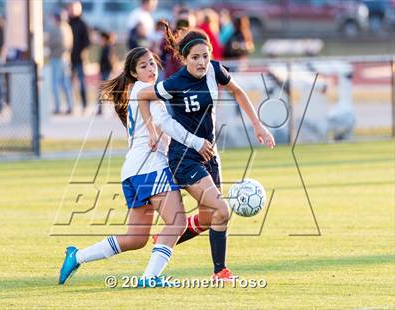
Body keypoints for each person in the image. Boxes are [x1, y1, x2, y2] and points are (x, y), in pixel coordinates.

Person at [58, 47, 214, 287]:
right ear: (133, 72)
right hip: (150, 166)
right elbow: (164, 122)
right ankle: (150, 278)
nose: (151, 69)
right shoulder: (145, 90)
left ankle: (77, 256)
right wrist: (194, 142)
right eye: (143, 66)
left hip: (132, 170)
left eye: (152, 63)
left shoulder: (136, 91)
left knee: (136, 238)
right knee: (177, 223)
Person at [137, 23, 275, 281]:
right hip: (184, 158)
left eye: (205, 56)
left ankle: (165, 240)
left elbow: (238, 91)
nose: (202, 62)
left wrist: (258, 125)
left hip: (208, 154)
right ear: (184, 59)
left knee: (208, 217)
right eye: (195, 58)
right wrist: (153, 132)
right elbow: (144, 97)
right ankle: (220, 271)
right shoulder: (175, 82)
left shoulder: (214, 70)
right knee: (222, 210)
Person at [48, 8, 73, 115]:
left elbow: (53, 43)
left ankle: (58, 107)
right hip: (65, 58)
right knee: (65, 83)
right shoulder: (67, 28)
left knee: (55, 83)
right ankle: (70, 105)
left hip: (57, 58)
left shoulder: (58, 29)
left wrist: (49, 43)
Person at [68, 1, 90, 112]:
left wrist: (83, 54)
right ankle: (70, 105)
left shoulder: (83, 24)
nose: (71, 11)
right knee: (68, 83)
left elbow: (87, 42)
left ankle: (84, 105)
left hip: (79, 59)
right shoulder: (67, 23)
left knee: (82, 82)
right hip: (69, 58)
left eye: (73, 8)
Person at [96, 31, 115, 115]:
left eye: (100, 39)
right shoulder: (106, 47)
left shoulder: (108, 47)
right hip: (105, 71)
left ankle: (101, 109)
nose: (99, 41)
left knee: (104, 90)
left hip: (106, 71)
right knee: (105, 91)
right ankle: (100, 109)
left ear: (104, 39)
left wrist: (111, 69)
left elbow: (109, 59)